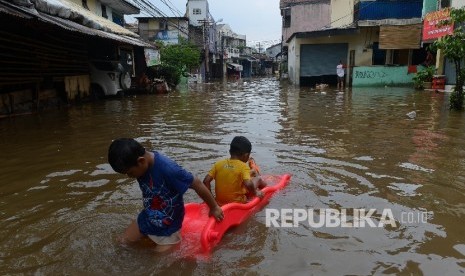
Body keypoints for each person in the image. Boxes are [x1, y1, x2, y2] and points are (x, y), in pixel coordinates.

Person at [108, 138, 223, 252]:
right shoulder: (141, 167)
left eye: (130, 173)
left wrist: (214, 207)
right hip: (147, 218)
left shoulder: (169, 169)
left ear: (141, 161)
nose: (130, 177)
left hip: (169, 227)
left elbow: (197, 184)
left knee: (158, 263)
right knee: (122, 243)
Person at [203, 136, 267, 206]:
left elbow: (206, 181)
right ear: (246, 155)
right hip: (238, 203)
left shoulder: (218, 164)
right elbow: (248, 184)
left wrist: (212, 201)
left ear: (230, 151)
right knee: (259, 179)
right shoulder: (243, 166)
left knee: (245, 176)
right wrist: (255, 193)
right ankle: (267, 188)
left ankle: (253, 172)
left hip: (219, 203)